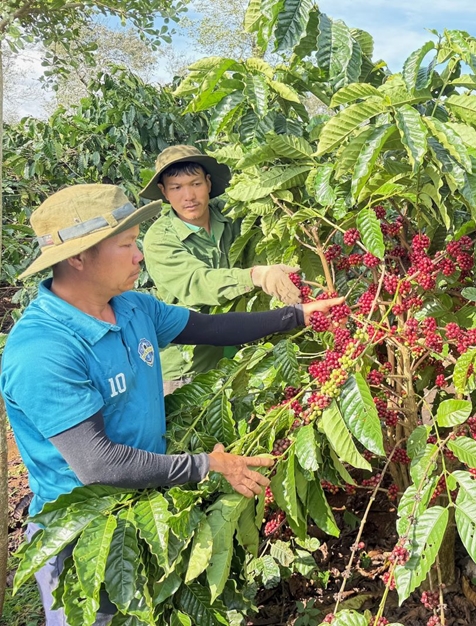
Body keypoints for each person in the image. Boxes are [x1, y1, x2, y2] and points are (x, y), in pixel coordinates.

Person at [0, 184, 343, 625]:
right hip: (85, 528)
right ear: (78, 258)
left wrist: (297, 316)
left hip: (147, 501)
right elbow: (99, 465)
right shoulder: (43, 350)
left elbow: (211, 328)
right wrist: (207, 465)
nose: (139, 255)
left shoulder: (132, 308)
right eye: (125, 245)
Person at [140, 145, 302, 394]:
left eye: (195, 184)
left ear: (208, 183)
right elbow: (197, 282)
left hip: (239, 355)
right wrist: (256, 275)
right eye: (176, 188)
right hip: (188, 368)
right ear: (164, 192)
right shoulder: (160, 239)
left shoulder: (231, 213)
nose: (188, 196)